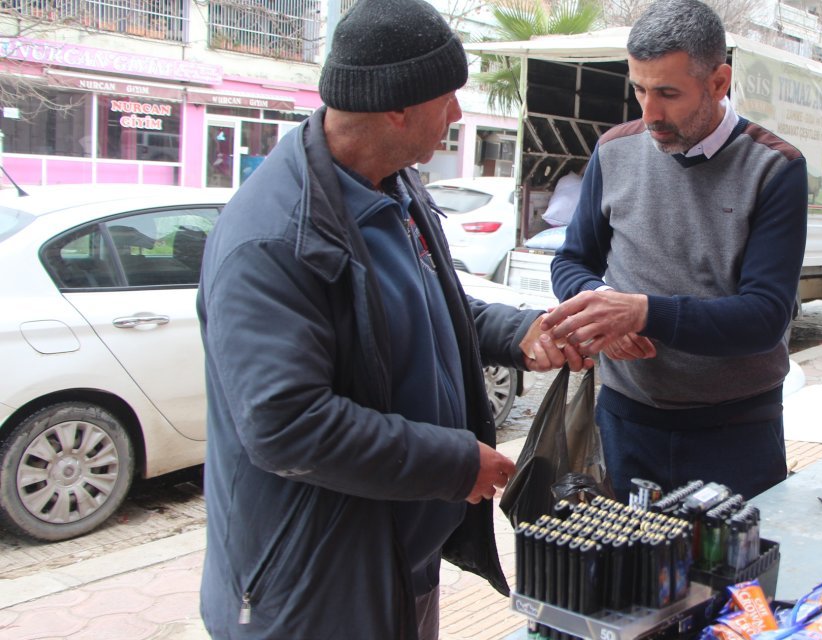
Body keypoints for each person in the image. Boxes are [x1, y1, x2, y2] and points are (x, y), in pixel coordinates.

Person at [196, 0, 589, 637]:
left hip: (394, 554)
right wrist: (454, 464)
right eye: (447, 98)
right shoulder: (273, 239)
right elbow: (285, 425)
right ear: (396, 107)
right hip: (314, 585)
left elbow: (435, 307)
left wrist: (520, 334)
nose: (457, 115)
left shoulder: (393, 187)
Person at [541, 0, 808, 501]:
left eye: (667, 93)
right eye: (639, 89)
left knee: (731, 579)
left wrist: (640, 314)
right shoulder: (613, 150)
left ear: (719, 82)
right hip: (624, 424)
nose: (649, 113)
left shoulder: (775, 167)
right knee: (620, 578)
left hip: (736, 433)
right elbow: (572, 261)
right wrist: (603, 311)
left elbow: (765, 316)